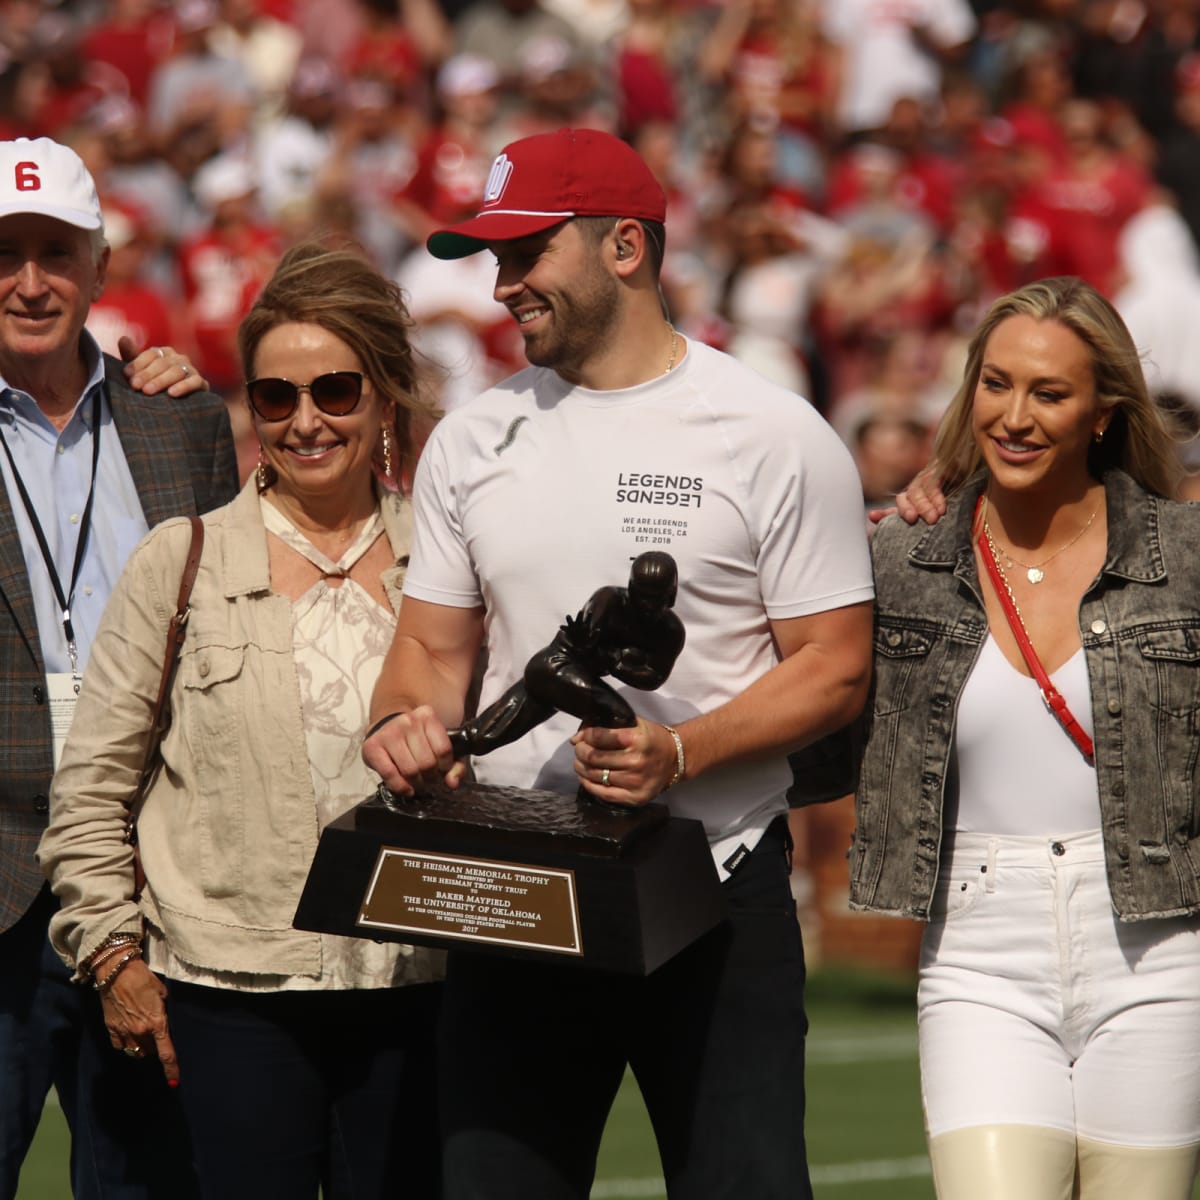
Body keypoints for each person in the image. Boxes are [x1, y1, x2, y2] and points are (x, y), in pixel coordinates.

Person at [361, 126, 875, 1200]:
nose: (503, 285)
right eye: (495, 260)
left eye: (526, 253)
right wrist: (403, 720)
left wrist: (681, 751)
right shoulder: (473, 437)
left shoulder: (772, 431)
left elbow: (834, 665)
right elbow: (428, 649)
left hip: (717, 883)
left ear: (626, 248)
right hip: (518, 891)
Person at [38, 239, 444, 1200]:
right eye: (275, 397)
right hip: (229, 997)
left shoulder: (450, 558)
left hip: (417, 989)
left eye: (336, 391)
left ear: (386, 397)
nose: (305, 422)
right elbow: (92, 787)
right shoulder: (180, 560)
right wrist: (112, 955)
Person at [803, 276, 1200, 1198]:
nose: (1014, 416)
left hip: (1159, 941)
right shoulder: (900, 559)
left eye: (1049, 393)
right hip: (980, 949)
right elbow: (810, 714)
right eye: (995, 384)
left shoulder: (1185, 558)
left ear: (1103, 413)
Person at [0, 134, 235, 1200]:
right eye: (5, 253)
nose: (31, 281)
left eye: (57, 251)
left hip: (153, 891)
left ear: (102, 266)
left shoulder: (179, 421)